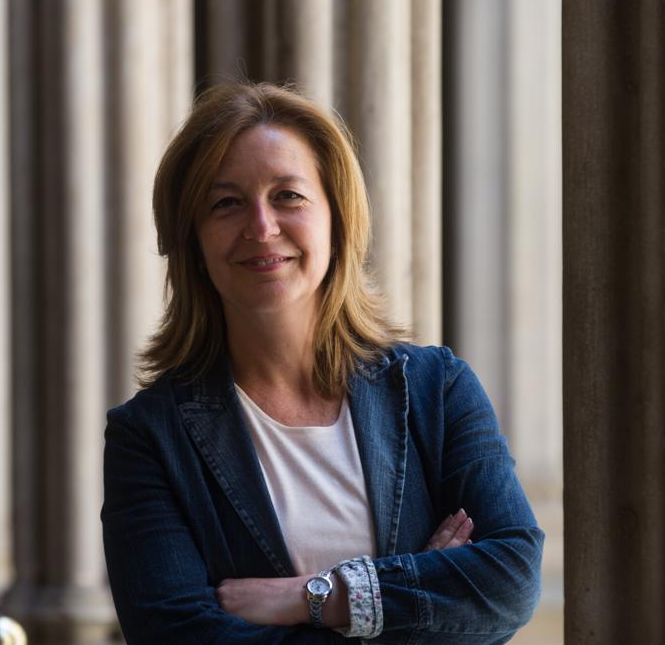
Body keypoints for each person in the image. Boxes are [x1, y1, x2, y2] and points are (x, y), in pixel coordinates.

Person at [101, 81, 543, 643]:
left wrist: (313, 598)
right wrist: (422, 603)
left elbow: (511, 578)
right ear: (193, 239)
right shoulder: (149, 438)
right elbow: (179, 634)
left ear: (337, 218)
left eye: (288, 195)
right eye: (226, 203)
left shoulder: (437, 390)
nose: (261, 227)